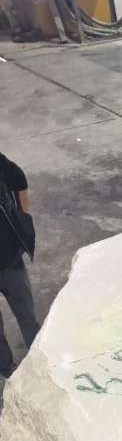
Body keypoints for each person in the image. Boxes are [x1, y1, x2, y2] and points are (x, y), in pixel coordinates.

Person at [0, 152, 39, 378]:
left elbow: (18, 179)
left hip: (9, 262)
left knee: (27, 315)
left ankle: (40, 357)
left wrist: (23, 216)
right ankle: (6, 369)